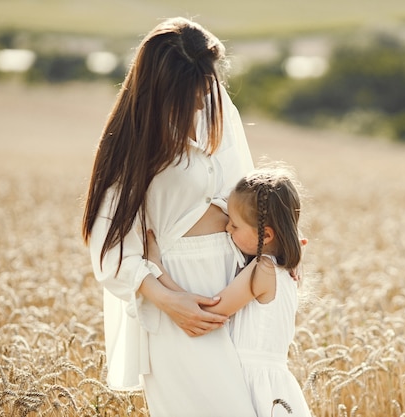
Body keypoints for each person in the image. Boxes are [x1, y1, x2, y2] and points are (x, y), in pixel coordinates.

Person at [81, 17, 257, 417]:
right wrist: (170, 301)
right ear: (162, 86)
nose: (203, 95)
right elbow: (109, 248)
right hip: (177, 291)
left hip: (235, 286)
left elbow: (247, 193)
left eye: (207, 80)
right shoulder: (132, 142)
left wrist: (275, 248)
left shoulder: (215, 105)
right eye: (193, 86)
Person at [147, 166, 312, 417]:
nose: (227, 229)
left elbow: (207, 310)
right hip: (276, 384)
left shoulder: (262, 269)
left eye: (234, 225)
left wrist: (157, 270)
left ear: (265, 235)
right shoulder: (285, 269)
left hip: (250, 382)